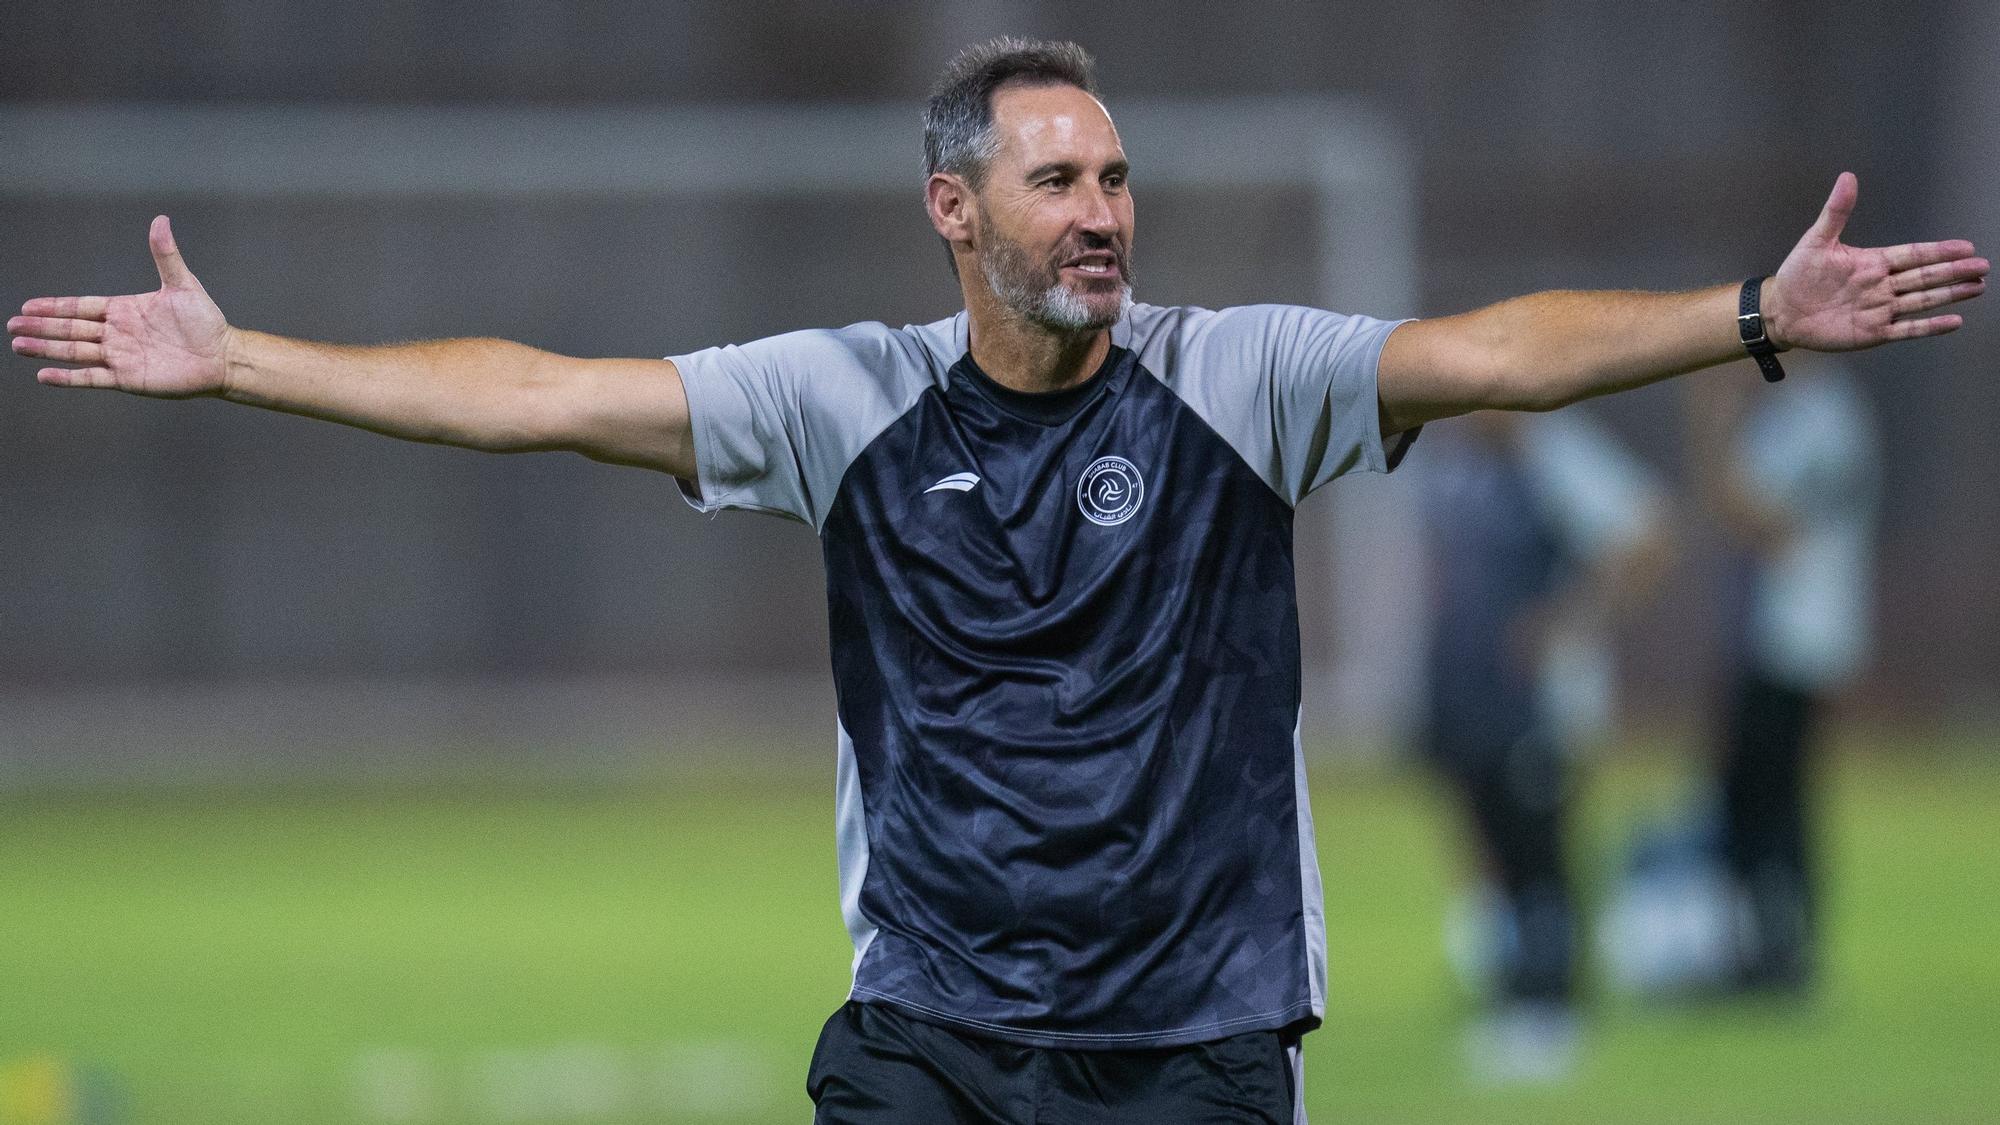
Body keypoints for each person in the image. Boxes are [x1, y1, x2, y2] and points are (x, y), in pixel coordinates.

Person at [8, 36, 1983, 1125]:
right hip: (934, 1032)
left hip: (1194, 1044)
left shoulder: (1243, 378)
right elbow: (534, 396)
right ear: (957, 211)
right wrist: (249, 356)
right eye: (1058, 180)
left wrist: (1745, 313)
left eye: (1115, 176)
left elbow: (1492, 348)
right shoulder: (837, 401)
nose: (1103, 210)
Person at [1420, 408, 1672, 1081]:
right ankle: (1510, 989)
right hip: (1470, 692)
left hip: (1543, 698)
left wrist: (1570, 620)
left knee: (1541, 845)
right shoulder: (1450, 460)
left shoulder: (1557, 453)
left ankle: (1552, 1005)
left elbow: (1646, 535)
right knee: (1491, 845)